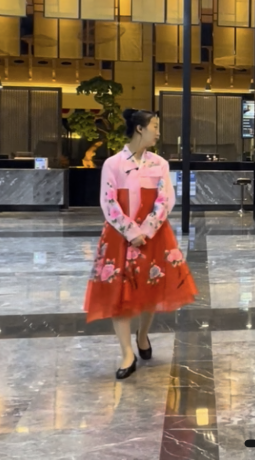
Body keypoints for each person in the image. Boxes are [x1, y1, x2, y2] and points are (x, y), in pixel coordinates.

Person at [84, 109, 198, 379]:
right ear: (139, 129)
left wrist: (146, 229)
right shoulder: (113, 164)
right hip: (119, 237)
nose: (158, 132)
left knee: (151, 289)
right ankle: (126, 353)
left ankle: (143, 334)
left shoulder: (159, 164)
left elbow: (165, 199)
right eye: (155, 126)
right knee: (118, 296)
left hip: (153, 236)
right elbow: (108, 201)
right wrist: (130, 231)